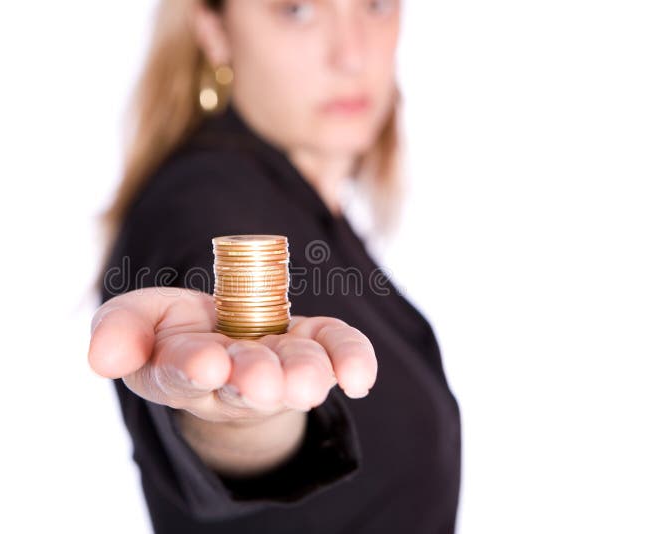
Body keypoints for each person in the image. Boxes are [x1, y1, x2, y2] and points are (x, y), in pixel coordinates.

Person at [88, 0, 461, 532]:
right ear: (214, 30)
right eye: (297, 10)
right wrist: (242, 419)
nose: (352, 55)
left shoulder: (314, 208)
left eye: (375, 5)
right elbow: (212, 404)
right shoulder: (196, 202)